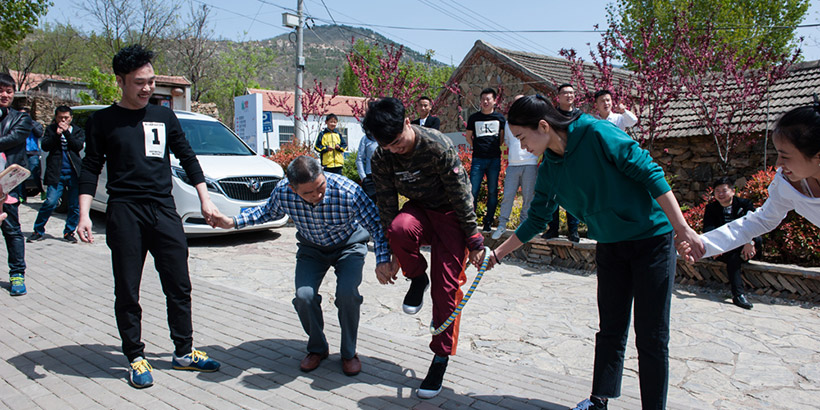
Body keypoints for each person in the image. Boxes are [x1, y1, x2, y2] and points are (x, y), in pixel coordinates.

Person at [487, 95, 703, 410]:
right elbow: (536, 219)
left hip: (651, 241)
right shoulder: (550, 168)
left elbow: (650, 173)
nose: (520, 147)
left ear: (544, 126)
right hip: (611, 246)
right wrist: (498, 253)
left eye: (521, 138)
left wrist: (682, 229)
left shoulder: (597, 132)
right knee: (611, 328)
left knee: (651, 336)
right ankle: (598, 401)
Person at [77, 44, 220, 389]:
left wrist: (205, 200)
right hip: (125, 211)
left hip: (163, 210)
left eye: (151, 81)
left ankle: (183, 351)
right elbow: (90, 168)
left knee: (179, 284)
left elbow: (188, 158)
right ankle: (135, 356)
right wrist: (83, 214)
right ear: (121, 81)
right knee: (128, 288)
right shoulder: (102, 121)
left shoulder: (163, 116)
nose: (146, 88)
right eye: (139, 82)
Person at [210, 155, 392, 376]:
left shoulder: (348, 190)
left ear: (324, 174)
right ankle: (317, 348)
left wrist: (383, 259)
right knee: (304, 296)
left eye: (320, 187)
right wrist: (233, 222)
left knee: (347, 294)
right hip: (311, 249)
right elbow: (266, 212)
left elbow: (375, 225)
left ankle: (349, 353)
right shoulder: (283, 192)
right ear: (293, 189)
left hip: (349, 246)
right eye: (308, 193)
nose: (317, 195)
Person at [362, 97, 486, 399]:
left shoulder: (437, 145)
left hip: (451, 216)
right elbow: (388, 204)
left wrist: (474, 240)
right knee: (398, 228)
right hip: (419, 211)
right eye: (386, 145)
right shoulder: (382, 157)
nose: (394, 149)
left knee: (446, 291)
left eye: (397, 142)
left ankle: (440, 358)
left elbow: (460, 194)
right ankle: (418, 277)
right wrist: (391, 253)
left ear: (408, 122)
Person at [679, 103, 820, 267]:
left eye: (785, 156)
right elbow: (760, 221)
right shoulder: (786, 185)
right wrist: (703, 244)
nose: (778, 163)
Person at [27, 106, 84, 243]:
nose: (63, 120)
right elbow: (45, 146)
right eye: (60, 117)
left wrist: (67, 133)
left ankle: (69, 232)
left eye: (66, 118)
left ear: (70, 118)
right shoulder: (51, 130)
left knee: (74, 205)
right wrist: (56, 135)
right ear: (56, 117)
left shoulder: (77, 131)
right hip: (56, 172)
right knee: (50, 202)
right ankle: (38, 230)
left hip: (73, 173)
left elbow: (78, 146)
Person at [701, 177, 760, 310]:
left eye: (724, 190)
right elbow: (708, 229)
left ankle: (738, 293)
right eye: (717, 191)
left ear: (733, 191)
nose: (720, 194)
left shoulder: (745, 204)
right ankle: (738, 295)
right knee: (733, 258)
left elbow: (754, 224)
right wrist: (715, 247)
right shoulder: (711, 208)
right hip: (723, 248)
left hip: (745, 245)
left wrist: (750, 241)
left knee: (755, 240)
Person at [0, 73, 30, 296]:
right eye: (1, 90)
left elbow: (12, 139)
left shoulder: (20, 119)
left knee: (11, 230)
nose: (4, 95)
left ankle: (17, 274)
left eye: (9, 91)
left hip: (7, 184)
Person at [492, 95, 537, 240]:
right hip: (513, 165)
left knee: (528, 197)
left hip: (530, 164)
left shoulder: (533, 121)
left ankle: (524, 225)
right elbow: (507, 142)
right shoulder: (508, 123)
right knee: (508, 196)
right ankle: (502, 224)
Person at [543, 84, 581, 242]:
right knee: (553, 195)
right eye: (565, 93)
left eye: (571, 93)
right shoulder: (551, 116)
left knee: (572, 195)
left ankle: (574, 230)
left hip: (573, 159)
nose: (569, 95)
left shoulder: (579, 116)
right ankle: (553, 229)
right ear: (558, 97)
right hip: (554, 159)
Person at [466, 88, 505, 232]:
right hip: (478, 159)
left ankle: (488, 221)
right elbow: (469, 137)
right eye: (483, 99)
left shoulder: (500, 119)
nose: (485, 102)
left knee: (492, 191)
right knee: (473, 191)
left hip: (494, 159)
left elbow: (501, 138)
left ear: (495, 101)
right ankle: (471, 221)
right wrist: (478, 147)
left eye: (488, 99)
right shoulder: (474, 118)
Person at [18, 107, 44, 201]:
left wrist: (31, 124)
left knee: (35, 172)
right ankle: (22, 196)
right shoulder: (18, 124)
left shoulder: (35, 124)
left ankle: (41, 190)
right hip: (21, 152)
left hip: (33, 152)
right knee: (21, 174)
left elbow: (39, 134)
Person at [355, 132, 378, 199]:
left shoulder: (387, 137)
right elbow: (359, 159)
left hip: (386, 178)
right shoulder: (366, 138)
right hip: (370, 178)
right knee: (370, 206)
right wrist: (363, 177)